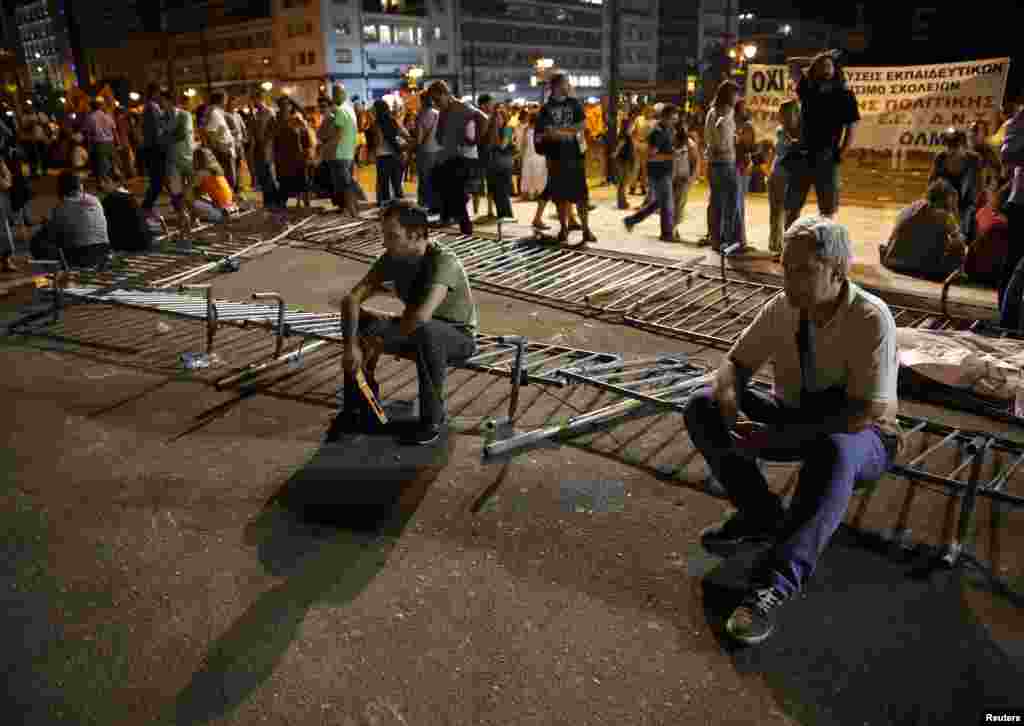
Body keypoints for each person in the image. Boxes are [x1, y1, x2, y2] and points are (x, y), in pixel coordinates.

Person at [684, 216, 900, 645]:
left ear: (838, 273)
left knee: (833, 450)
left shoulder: (871, 318)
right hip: (795, 415)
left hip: (865, 435)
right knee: (702, 406)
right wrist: (729, 408)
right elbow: (734, 365)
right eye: (785, 267)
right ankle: (761, 517)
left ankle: (773, 585)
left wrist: (773, 440)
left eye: (802, 270)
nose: (789, 279)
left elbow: (863, 414)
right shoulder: (783, 307)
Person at [330, 200, 479, 446]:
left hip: (456, 337)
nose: (384, 242)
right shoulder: (392, 258)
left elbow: (422, 317)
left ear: (416, 235)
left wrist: (381, 342)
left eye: (392, 236)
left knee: (428, 332)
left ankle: (431, 420)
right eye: (384, 235)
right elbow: (351, 299)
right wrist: (351, 347)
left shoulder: (443, 261)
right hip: (414, 330)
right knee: (362, 323)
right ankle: (359, 404)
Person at [785, 50, 860, 226]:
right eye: (821, 66)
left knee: (827, 209)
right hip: (803, 153)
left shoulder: (845, 95)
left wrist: (843, 152)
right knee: (793, 205)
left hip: (827, 155)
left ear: (836, 69)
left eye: (829, 65)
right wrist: (818, 58)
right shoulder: (807, 89)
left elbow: (851, 127)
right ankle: (788, 245)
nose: (825, 68)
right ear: (814, 69)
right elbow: (792, 62)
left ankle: (824, 248)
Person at [535, 73, 596, 245]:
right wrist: (568, 131)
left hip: (575, 157)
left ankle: (585, 229)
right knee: (560, 197)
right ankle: (563, 228)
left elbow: (582, 126)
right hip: (556, 159)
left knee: (582, 196)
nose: (568, 86)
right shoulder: (546, 108)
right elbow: (546, 132)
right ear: (557, 85)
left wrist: (559, 131)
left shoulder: (574, 103)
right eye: (566, 83)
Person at [879, 179, 965, 281]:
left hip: (892, 261)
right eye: (951, 205)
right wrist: (954, 216)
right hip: (918, 268)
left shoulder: (914, 206)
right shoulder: (943, 216)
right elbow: (959, 241)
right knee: (958, 247)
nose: (951, 209)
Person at [624, 104, 680, 242]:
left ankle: (632, 220)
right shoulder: (658, 132)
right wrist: (671, 156)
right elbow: (651, 155)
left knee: (660, 202)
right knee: (666, 203)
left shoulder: (667, 129)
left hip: (663, 171)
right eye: (674, 116)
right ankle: (667, 234)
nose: (676, 119)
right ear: (667, 116)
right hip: (659, 172)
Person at [33, 171, 111, 268]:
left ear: (61, 189)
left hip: (79, 255)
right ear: (80, 186)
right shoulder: (95, 199)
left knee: (38, 240)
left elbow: (55, 234)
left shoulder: (62, 206)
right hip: (104, 250)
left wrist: (47, 224)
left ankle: (56, 271)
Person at [705, 80, 740, 251]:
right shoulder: (721, 113)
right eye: (735, 94)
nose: (738, 98)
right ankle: (722, 239)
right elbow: (718, 141)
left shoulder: (720, 112)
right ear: (728, 95)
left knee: (721, 201)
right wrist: (729, 143)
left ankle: (719, 239)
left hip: (721, 163)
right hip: (722, 163)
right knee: (724, 202)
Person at [929, 128, 980, 240]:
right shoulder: (940, 158)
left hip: (966, 206)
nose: (951, 150)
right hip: (945, 207)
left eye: (955, 146)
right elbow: (931, 186)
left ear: (963, 145)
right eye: (948, 145)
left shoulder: (974, 159)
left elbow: (978, 187)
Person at [160, 91, 196, 233]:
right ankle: (182, 215)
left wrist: (166, 137)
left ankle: (193, 215)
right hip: (172, 158)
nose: (161, 104)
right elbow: (164, 135)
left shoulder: (184, 115)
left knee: (190, 188)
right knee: (176, 189)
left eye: (163, 101)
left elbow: (181, 134)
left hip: (186, 156)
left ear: (169, 101)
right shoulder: (163, 117)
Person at [270, 98, 315, 210]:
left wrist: (308, 153)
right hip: (282, 159)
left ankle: (305, 205)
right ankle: (283, 206)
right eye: (282, 105)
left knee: (302, 183)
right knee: (284, 183)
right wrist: (273, 157)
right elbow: (272, 139)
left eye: (286, 105)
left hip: (298, 158)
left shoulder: (297, 120)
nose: (284, 107)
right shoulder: (275, 121)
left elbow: (306, 138)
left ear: (290, 107)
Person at [769, 100, 801, 255]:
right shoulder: (781, 131)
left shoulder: (801, 132)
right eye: (781, 114)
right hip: (777, 175)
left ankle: (788, 248)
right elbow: (781, 151)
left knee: (790, 214)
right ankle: (777, 247)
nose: (780, 117)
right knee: (776, 212)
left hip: (791, 177)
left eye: (783, 114)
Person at [329, 84, 362, 217]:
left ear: (343, 94)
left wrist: (328, 149)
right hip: (349, 153)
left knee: (344, 184)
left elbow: (338, 134)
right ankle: (353, 209)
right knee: (348, 182)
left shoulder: (340, 111)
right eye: (333, 93)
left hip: (340, 153)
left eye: (336, 93)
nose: (333, 96)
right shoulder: (350, 110)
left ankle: (350, 211)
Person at [98, 177, 153, 252]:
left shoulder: (109, 199)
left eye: (105, 182)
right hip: (145, 240)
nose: (102, 186)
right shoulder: (130, 197)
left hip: (128, 244)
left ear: (113, 183)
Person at [372, 99, 409, 206]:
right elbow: (405, 134)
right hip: (395, 155)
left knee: (383, 185)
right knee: (397, 184)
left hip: (382, 157)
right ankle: (402, 207)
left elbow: (378, 142)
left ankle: (385, 206)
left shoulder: (377, 124)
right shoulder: (394, 121)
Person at [141, 83, 169, 218]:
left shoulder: (150, 107)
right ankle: (146, 207)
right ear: (154, 93)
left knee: (159, 180)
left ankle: (147, 206)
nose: (161, 96)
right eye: (159, 93)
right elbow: (157, 130)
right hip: (155, 148)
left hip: (152, 147)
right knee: (158, 180)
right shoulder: (152, 107)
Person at [672, 117, 700, 242]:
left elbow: (695, 162)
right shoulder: (670, 141)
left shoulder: (690, 144)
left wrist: (691, 178)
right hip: (670, 177)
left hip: (683, 178)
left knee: (679, 205)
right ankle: (670, 229)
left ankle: (673, 228)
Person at [82, 98, 119, 187]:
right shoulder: (107, 116)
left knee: (99, 164)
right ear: (100, 107)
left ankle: (101, 183)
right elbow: (114, 130)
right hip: (110, 142)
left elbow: (87, 132)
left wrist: (88, 144)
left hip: (98, 143)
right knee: (110, 163)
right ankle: (111, 181)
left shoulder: (90, 117)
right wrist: (117, 142)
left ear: (91, 107)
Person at [205, 92, 237, 192]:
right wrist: (221, 145)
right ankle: (227, 202)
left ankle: (229, 200)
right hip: (223, 151)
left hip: (226, 150)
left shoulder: (217, 112)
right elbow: (211, 133)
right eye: (225, 99)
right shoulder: (214, 113)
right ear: (222, 100)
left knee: (230, 180)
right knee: (229, 180)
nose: (226, 101)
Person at [735, 102, 757, 248]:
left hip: (741, 167)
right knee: (737, 205)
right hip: (737, 168)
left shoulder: (746, 125)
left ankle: (740, 239)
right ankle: (739, 240)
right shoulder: (740, 125)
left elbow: (750, 147)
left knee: (739, 204)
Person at [250, 90, 278, 203]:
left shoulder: (269, 112)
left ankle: (274, 198)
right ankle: (267, 199)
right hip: (258, 146)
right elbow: (255, 131)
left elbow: (272, 130)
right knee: (261, 173)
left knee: (268, 173)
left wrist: (266, 143)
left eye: (254, 100)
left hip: (267, 147)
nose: (253, 103)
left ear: (260, 99)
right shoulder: (256, 114)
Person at [416, 93, 442, 212]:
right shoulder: (438, 114)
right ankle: (435, 204)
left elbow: (419, 139)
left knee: (424, 178)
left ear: (422, 101)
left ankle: (423, 204)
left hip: (425, 151)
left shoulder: (421, 115)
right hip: (438, 150)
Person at [519, 113, 548, 201]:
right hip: (538, 155)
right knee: (538, 175)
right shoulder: (541, 130)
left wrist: (521, 154)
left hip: (529, 155)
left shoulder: (526, 129)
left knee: (527, 175)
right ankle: (537, 193)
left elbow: (524, 144)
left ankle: (527, 194)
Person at [19, 104, 51, 178]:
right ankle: (34, 172)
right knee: (32, 157)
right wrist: (31, 124)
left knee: (43, 156)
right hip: (29, 140)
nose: (29, 108)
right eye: (27, 106)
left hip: (41, 139)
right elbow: (23, 127)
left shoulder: (39, 114)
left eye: (31, 106)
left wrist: (39, 122)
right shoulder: (24, 117)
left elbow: (47, 125)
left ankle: (43, 171)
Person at [616, 109, 639, 210]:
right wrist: (616, 152)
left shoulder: (627, 126)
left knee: (624, 180)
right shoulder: (626, 126)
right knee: (623, 180)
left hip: (627, 155)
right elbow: (622, 141)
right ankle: (621, 202)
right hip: (624, 156)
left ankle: (622, 201)